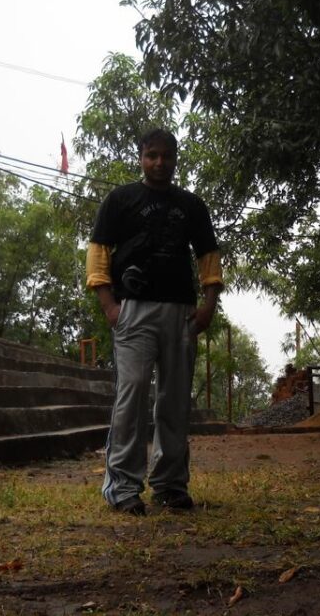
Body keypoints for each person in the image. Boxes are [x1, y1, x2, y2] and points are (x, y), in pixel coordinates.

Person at [85, 128, 223, 515]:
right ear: (141, 157)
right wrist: (110, 306)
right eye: (152, 155)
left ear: (176, 159)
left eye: (166, 156)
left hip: (181, 313)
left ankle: (170, 485)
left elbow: (208, 256)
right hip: (134, 311)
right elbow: (98, 253)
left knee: (175, 401)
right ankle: (123, 487)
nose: (159, 163)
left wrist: (209, 304)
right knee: (132, 394)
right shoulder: (120, 199)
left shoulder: (191, 205)